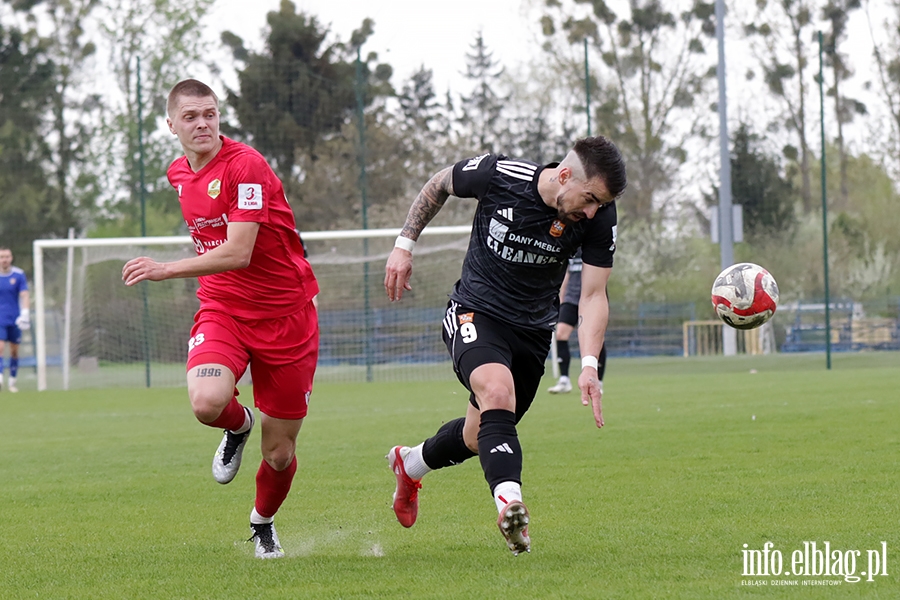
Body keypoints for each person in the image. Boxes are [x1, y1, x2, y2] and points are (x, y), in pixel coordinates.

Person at [383, 137, 626, 555]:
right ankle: (510, 504)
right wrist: (404, 245)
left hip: (531, 334)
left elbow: (593, 295)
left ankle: (412, 463)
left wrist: (589, 364)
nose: (592, 211)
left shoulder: (599, 217)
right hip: (474, 311)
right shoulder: (499, 175)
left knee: (480, 435)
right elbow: (439, 183)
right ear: (564, 175)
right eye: (589, 199)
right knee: (497, 392)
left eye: (599, 204)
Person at [122, 79, 319, 559]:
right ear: (171, 126)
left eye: (209, 113)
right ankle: (238, 424)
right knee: (207, 401)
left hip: (287, 316)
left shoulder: (245, 166)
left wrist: (166, 268)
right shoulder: (177, 173)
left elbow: (238, 251)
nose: (203, 123)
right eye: (190, 116)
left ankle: (262, 522)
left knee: (280, 454)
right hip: (223, 309)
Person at [547, 249, 608, 394]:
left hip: (590, 299)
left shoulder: (595, 245)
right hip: (571, 299)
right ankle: (564, 380)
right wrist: (560, 299)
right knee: (560, 334)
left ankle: (597, 381)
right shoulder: (571, 247)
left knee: (596, 338)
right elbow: (566, 274)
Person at [0, 247, 30, 393]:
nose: (4, 259)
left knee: (14, 351)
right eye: (1, 257)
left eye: (7, 256)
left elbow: (24, 294)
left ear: (11, 258)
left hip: (15, 318)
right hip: (0, 318)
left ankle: (12, 381)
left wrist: (25, 313)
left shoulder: (18, 275)